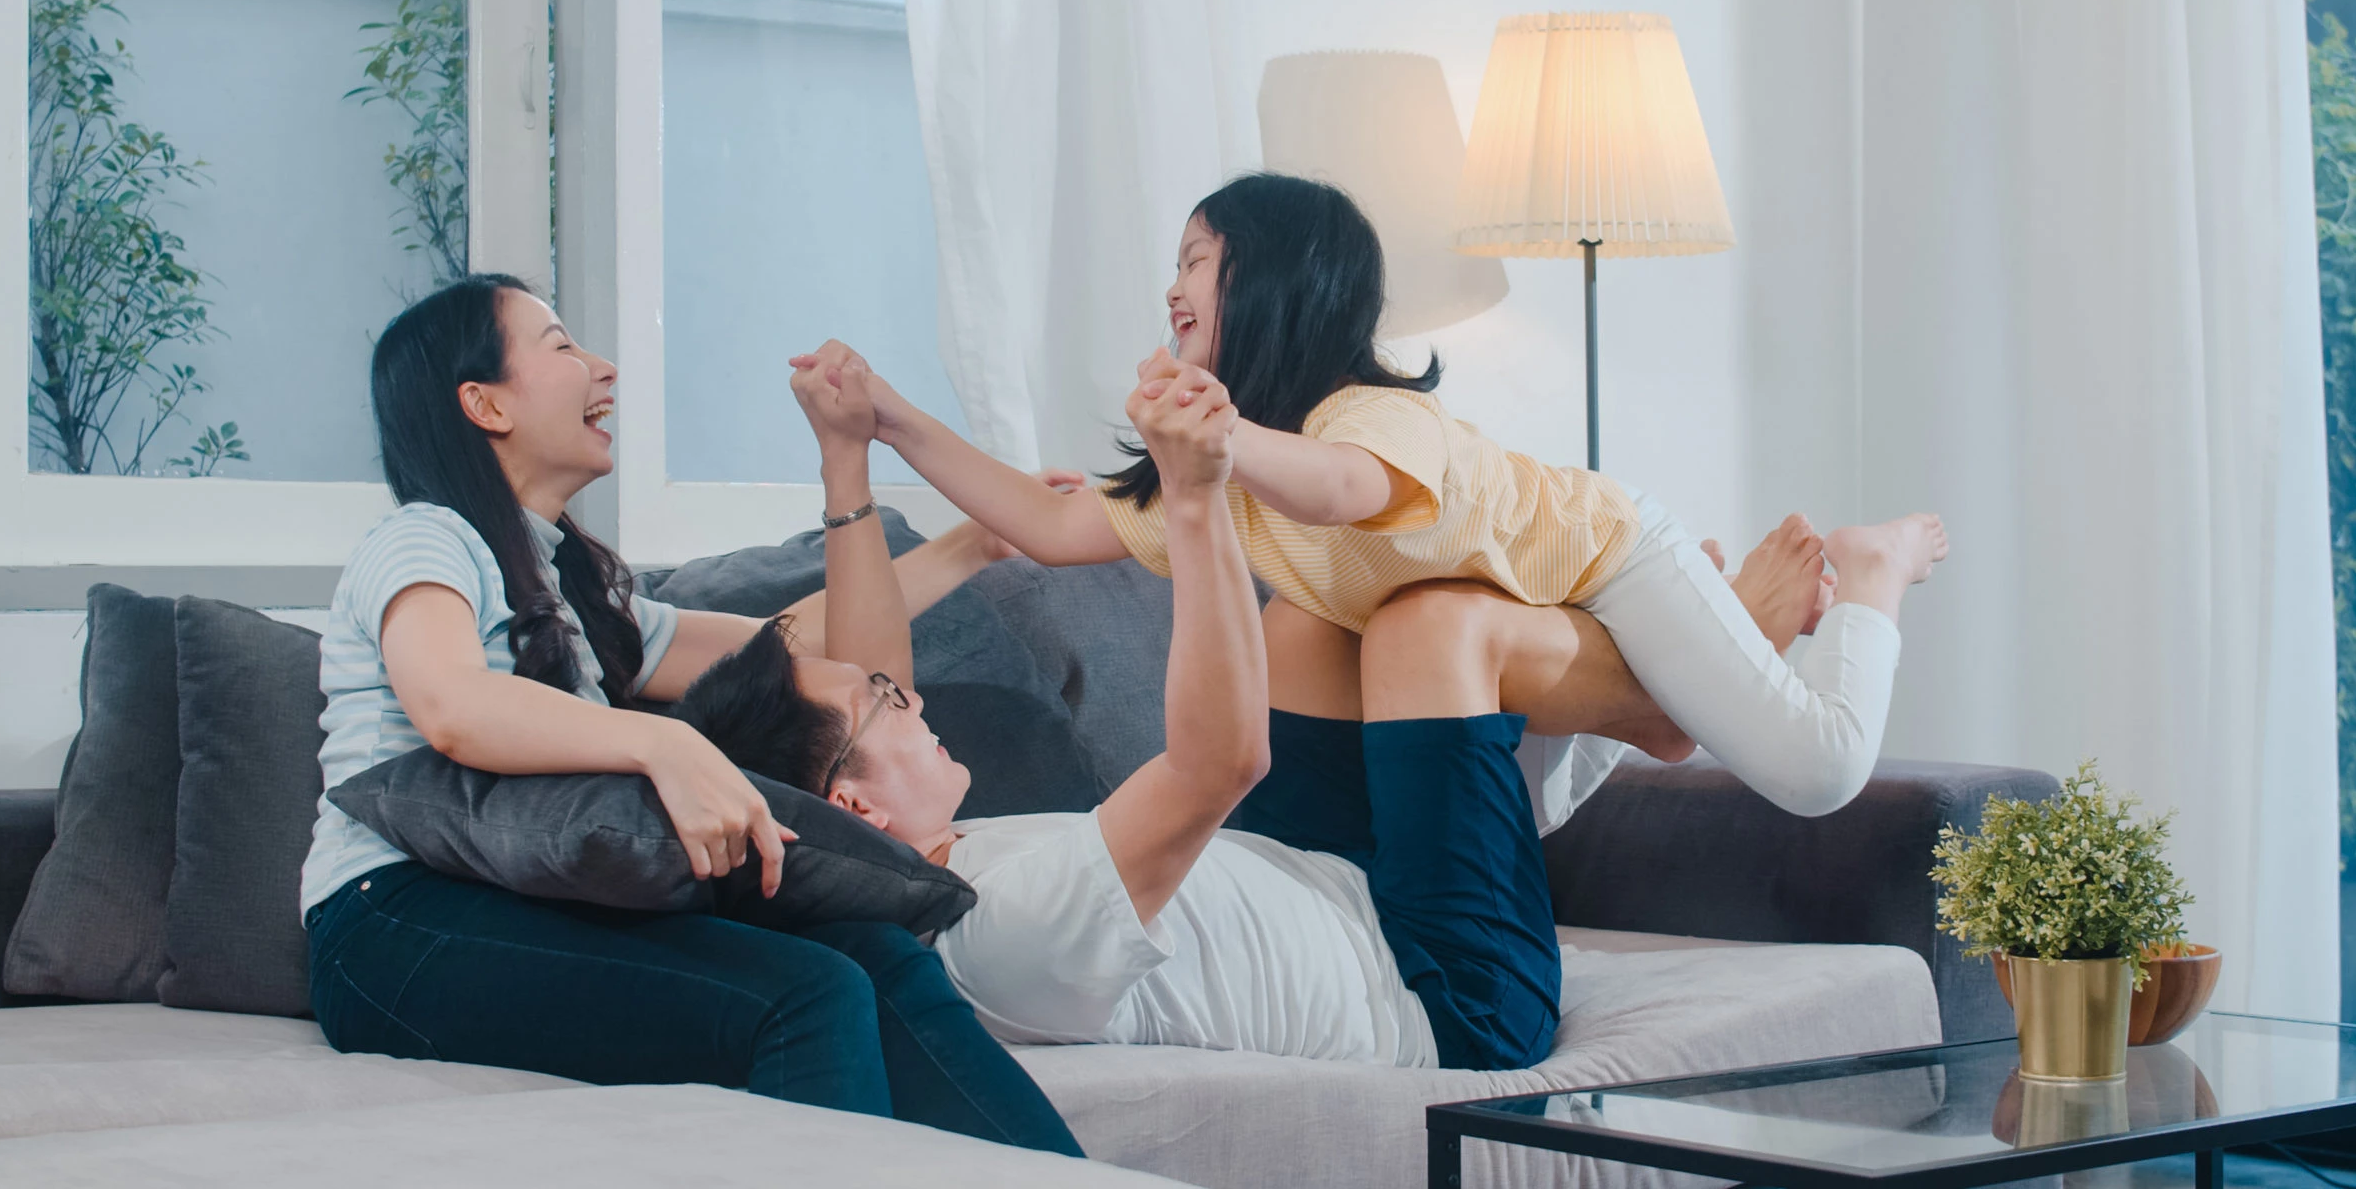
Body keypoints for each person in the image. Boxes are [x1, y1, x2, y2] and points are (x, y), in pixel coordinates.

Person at [676, 339, 1835, 1071]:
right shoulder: (1003, 915)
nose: (906, 693)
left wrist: (850, 449)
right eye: (885, 709)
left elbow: (866, 682)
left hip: (1337, 874)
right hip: (1451, 993)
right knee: (1439, 626)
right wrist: (1194, 495)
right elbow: (1219, 757)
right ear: (857, 805)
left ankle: (1652, 697)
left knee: (1313, 625)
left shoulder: (904, 868)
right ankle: (1669, 688)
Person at [828, 172, 1947, 823]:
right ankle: (1676, 686)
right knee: (1523, 819)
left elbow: (1344, 490)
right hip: (1484, 635)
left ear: (1273, 283)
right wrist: (891, 420)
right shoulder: (1229, 471)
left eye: (1195, 259)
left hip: (1606, 563)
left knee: (1817, 769)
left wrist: (1218, 442)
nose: (1170, 286)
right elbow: (1049, 522)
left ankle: (1875, 565)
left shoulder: (1364, 417)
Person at [303, 274, 1080, 1156]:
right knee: (804, 995)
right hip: (390, 926)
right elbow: (452, 705)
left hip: (526, 900)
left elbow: (805, 648)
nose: (605, 369)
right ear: (484, 403)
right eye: (561, 347)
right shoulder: (425, 539)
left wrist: (972, 542)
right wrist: (659, 742)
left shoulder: (574, 591)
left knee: (877, 955)